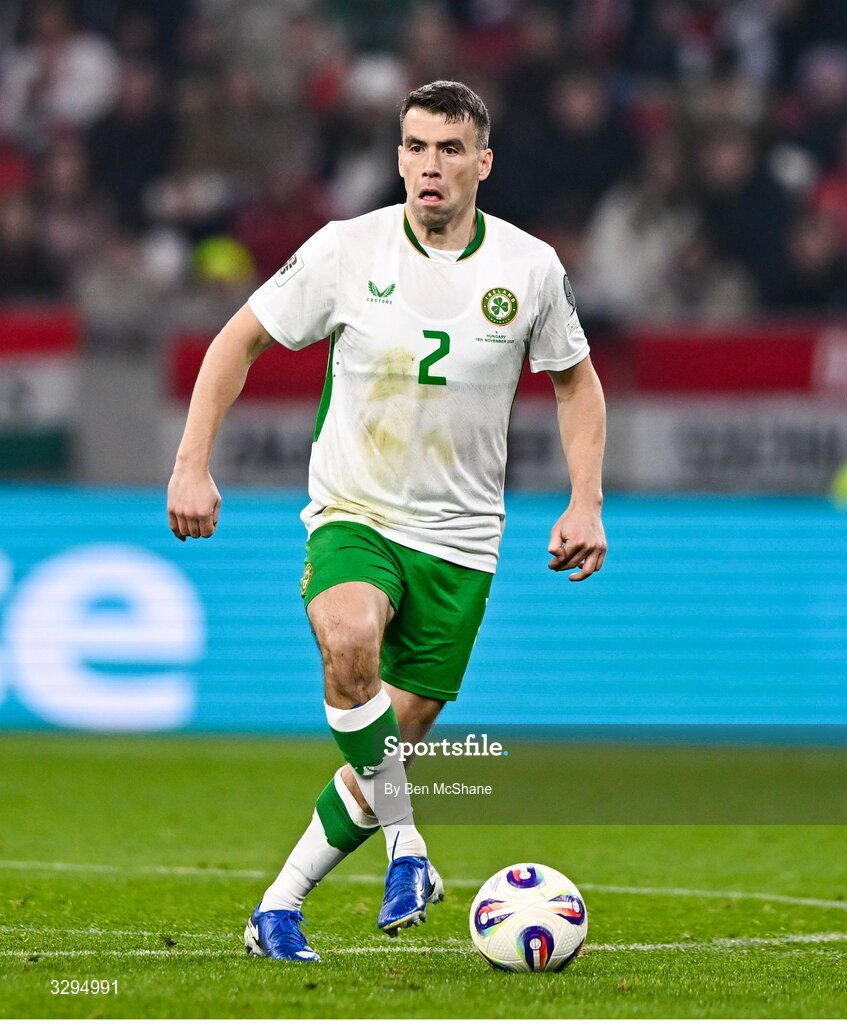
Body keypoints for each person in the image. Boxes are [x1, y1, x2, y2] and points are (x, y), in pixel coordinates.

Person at [166, 80, 607, 962]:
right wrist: (191, 464)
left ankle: (278, 909)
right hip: (354, 510)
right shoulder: (344, 249)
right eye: (413, 147)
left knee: (387, 749)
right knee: (347, 637)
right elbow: (234, 343)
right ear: (397, 155)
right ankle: (411, 845)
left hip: (460, 541)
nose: (428, 166)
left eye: (448, 150)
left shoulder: (528, 268)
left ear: (482, 163)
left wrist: (584, 497)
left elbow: (574, 382)